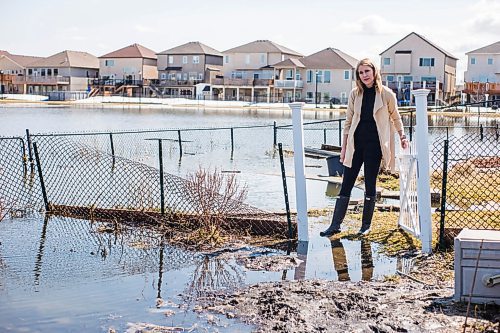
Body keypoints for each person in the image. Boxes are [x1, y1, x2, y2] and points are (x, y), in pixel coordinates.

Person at [320, 58, 409, 237]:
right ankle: (335, 225)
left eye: (367, 71)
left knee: (370, 184)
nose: (364, 75)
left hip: (375, 147)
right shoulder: (355, 94)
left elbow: (396, 117)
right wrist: (344, 148)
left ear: (374, 72)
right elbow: (348, 122)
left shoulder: (387, 94)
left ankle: (365, 226)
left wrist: (402, 136)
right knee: (346, 184)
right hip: (356, 145)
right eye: (361, 73)